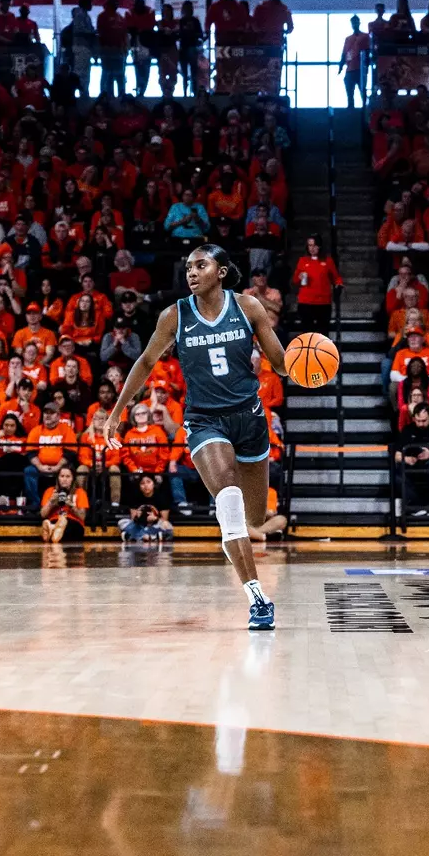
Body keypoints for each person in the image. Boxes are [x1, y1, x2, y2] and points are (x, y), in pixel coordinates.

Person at [99, 244, 290, 630]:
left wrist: (310, 366)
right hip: (205, 421)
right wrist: (117, 412)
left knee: (254, 518)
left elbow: (282, 365)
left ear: (220, 271)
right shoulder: (175, 316)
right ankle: (257, 597)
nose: (191, 272)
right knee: (230, 503)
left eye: (200, 265)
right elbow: (146, 361)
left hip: (250, 418)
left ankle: (250, 543)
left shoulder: (248, 308)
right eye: (188, 266)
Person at [339, 16, 371, 108]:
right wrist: (341, 66)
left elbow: (368, 51)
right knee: (350, 95)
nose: (355, 24)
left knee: (363, 92)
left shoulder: (365, 36)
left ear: (359, 23)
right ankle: (351, 113)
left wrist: (366, 66)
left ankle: (366, 112)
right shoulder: (348, 39)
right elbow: (344, 53)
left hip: (360, 69)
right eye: (353, 22)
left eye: (356, 22)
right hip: (350, 69)